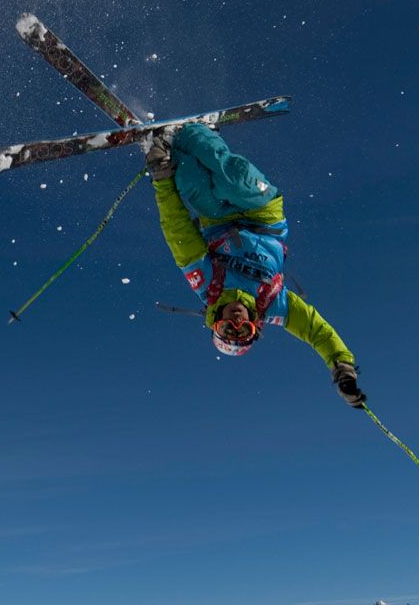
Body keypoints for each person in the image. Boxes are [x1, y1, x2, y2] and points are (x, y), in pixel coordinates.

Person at [146, 123, 366, 408]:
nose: (237, 322)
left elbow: (178, 233)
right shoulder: (273, 304)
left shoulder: (207, 283)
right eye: (244, 331)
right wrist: (342, 369)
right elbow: (316, 331)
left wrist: (162, 177)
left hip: (218, 220)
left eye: (228, 329)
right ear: (255, 327)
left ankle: (167, 146)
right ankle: (190, 131)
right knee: (232, 178)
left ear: (216, 322)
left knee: (188, 178)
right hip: (264, 216)